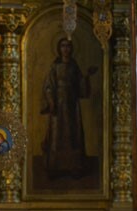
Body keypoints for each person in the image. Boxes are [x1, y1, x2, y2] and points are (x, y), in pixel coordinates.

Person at [40, 37, 97, 179]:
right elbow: (48, 86)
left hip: (72, 104)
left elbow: (80, 85)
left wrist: (87, 76)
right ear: (59, 49)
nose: (65, 49)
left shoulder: (73, 66)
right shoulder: (55, 66)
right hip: (58, 104)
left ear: (71, 49)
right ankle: (55, 167)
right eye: (63, 46)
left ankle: (73, 167)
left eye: (68, 46)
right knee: (56, 135)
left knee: (72, 134)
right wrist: (51, 102)